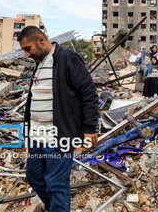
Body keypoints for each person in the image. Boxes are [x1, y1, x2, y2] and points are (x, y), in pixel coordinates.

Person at [18, 26, 99, 211]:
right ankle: (55, 207)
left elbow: (89, 94)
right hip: (37, 136)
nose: (26, 54)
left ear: (40, 39)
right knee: (34, 176)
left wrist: (89, 128)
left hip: (59, 136)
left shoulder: (67, 58)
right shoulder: (39, 62)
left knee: (56, 183)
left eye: (27, 48)